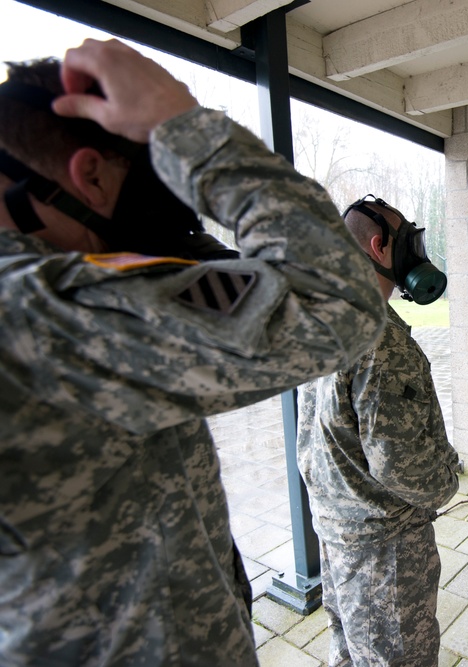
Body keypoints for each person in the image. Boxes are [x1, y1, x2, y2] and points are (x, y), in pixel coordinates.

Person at [0, 39, 386, 666]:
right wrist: (189, 133)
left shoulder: (53, 302)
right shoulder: (37, 312)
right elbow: (335, 304)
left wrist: (159, 225)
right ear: (90, 174)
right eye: (143, 181)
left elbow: (227, 287)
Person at [296, 195, 458, 667]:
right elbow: (398, 463)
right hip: (383, 547)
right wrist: (445, 481)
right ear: (378, 247)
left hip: (337, 529)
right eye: (408, 241)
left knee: (350, 652)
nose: (415, 252)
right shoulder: (380, 338)